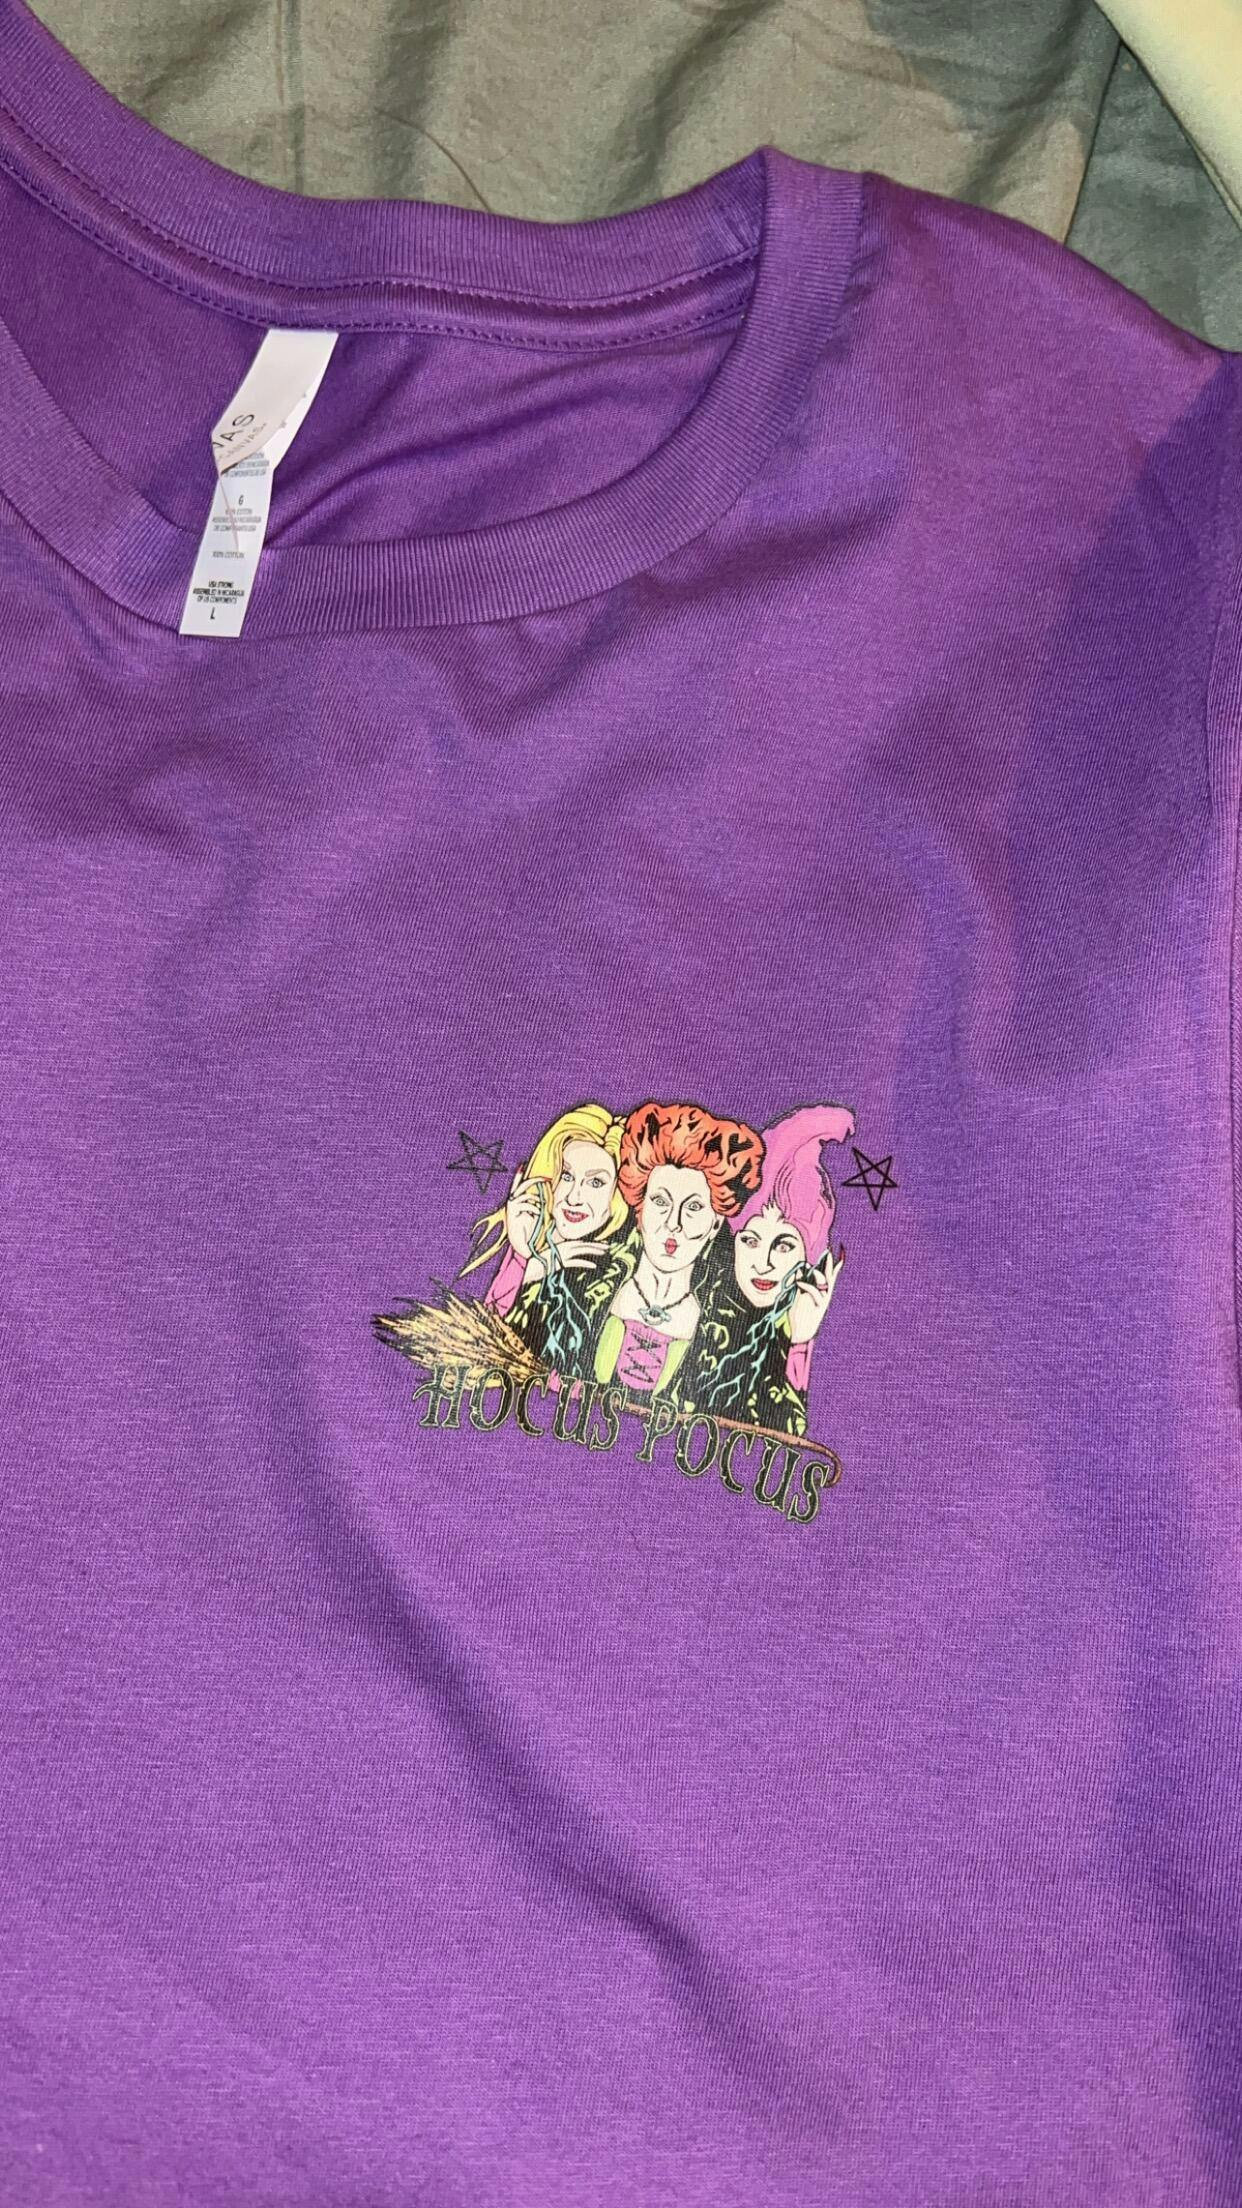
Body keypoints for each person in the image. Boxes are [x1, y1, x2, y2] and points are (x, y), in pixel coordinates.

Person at [691, 1104, 854, 1434]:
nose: (763, 1263)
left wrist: (801, 1340)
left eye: (783, 1246)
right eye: (750, 1241)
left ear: (809, 1257)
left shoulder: (800, 1329)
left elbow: (788, 1439)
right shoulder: (699, 1303)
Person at [593, 1100, 764, 1397]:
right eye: (660, 1201)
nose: (674, 1223)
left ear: (715, 1224)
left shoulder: (721, 1329)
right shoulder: (593, 1289)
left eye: (694, 1207)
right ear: (640, 1208)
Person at [460, 1102, 633, 1374]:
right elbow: (475, 1357)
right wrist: (526, 1263)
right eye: (566, 1175)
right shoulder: (529, 1239)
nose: (574, 1197)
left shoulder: (619, 1266)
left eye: (596, 1182)